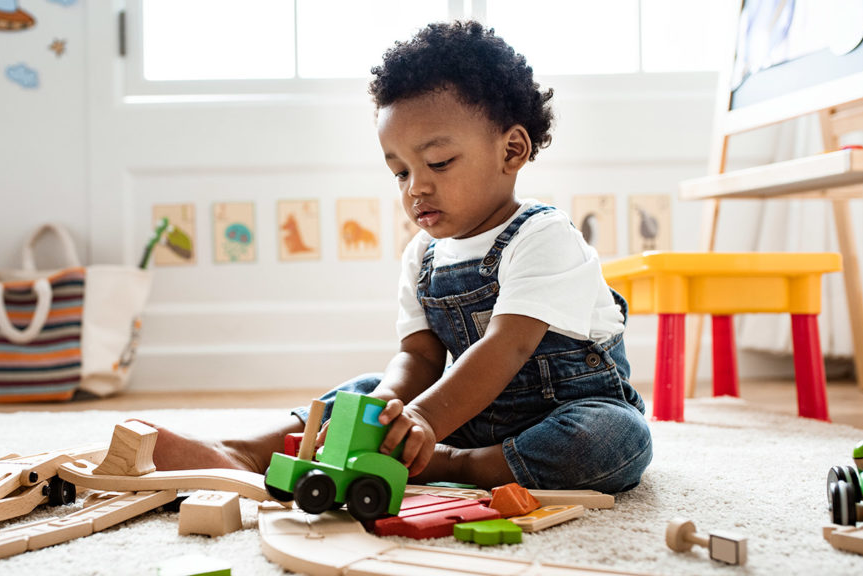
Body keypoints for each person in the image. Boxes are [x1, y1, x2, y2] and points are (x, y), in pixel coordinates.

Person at [145, 20, 652, 493]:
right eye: (400, 172)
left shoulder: (544, 236)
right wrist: (387, 406)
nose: (417, 187)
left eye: (438, 162)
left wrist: (427, 421)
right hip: (464, 412)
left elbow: (507, 348)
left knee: (613, 439)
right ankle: (244, 452)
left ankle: (456, 466)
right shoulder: (423, 255)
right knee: (364, 391)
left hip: (561, 412)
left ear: (511, 151)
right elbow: (420, 357)